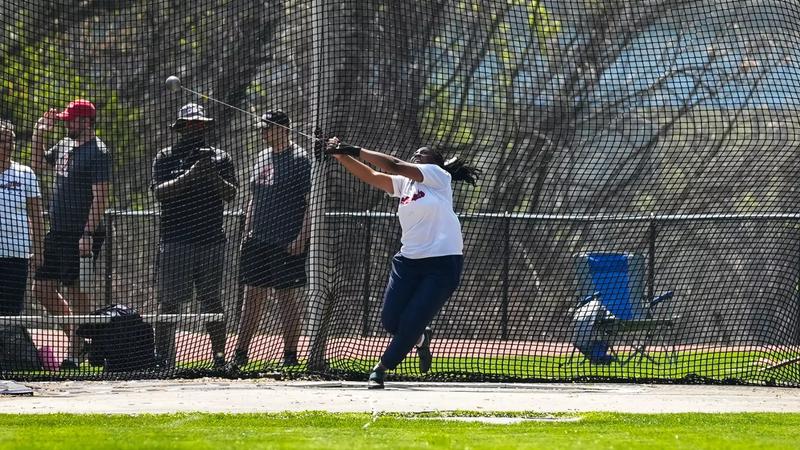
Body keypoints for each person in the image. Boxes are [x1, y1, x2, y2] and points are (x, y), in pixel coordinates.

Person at [325, 138, 479, 389]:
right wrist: (342, 156)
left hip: (442, 263)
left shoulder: (438, 176)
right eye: (415, 152)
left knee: (411, 321)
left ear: (436, 162)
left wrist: (353, 148)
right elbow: (373, 175)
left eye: (423, 153)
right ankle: (420, 338)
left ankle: (381, 368)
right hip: (408, 261)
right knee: (390, 321)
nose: (417, 155)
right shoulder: (405, 184)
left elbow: (394, 164)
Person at [151, 103, 238, 369]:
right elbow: (159, 192)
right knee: (169, 303)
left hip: (210, 240)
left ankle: (219, 358)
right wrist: (191, 174)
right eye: (190, 124)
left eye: (200, 124)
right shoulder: (166, 156)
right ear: (181, 128)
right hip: (175, 240)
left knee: (211, 301)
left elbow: (231, 194)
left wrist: (211, 173)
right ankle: (163, 359)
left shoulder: (220, 157)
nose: (195, 129)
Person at [31, 99, 112, 370]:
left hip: (81, 233)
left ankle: (85, 349)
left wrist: (87, 233)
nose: (66, 124)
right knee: (42, 289)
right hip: (57, 231)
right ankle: (80, 339)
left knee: (76, 290)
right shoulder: (65, 145)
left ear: (86, 122)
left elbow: (101, 198)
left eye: (71, 120)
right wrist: (39, 134)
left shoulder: (98, 152)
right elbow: (37, 166)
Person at [232, 110, 311, 369]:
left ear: (283, 129)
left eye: (267, 128)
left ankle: (290, 355)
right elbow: (254, 197)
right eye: (262, 129)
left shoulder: (300, 159)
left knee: (285, 297)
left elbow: (310, 204)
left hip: (286, 239)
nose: (263, 133)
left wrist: (301, 237)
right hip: (257, 239)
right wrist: (247, 230)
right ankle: (240, 353)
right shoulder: (262, 156)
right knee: (252, 296)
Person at [0, 121, 45, 316]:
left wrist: (39, 251)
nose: (8, 145)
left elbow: (36, 215)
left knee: (11, 311)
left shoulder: (25, 174)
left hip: (16, 253)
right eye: (3, 141)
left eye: (11, 141)